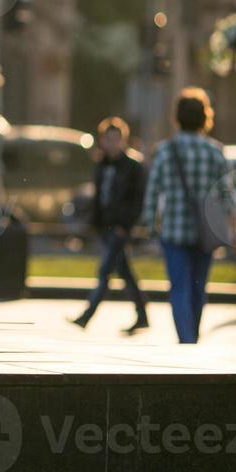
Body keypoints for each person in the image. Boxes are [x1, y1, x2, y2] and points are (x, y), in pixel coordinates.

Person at [142, 87, 234, 344]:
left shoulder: (165, 151)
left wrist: (150, 224)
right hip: (207, 232)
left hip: (174, 231)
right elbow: (226, 194)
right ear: (206, 117)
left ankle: (186, 340)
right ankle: (192, 335)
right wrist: (234, 229)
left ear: (177, 117)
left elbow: (153, 191)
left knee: (179, 288)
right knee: (198, 288)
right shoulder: (215, 151)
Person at [71, 117, 149, 334]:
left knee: (105, 271)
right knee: (123, 271)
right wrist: (93, 222)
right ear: (103, 140)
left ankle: (86, 316)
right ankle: (143, 315)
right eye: (109, 139)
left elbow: (138, 200)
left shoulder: (133, 166)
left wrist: (126, 224)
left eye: (117, 139)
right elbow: (99, 197)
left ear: (123, 140)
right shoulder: (101, 164)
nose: (113, 143)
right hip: (104, 226)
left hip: (120, 227)